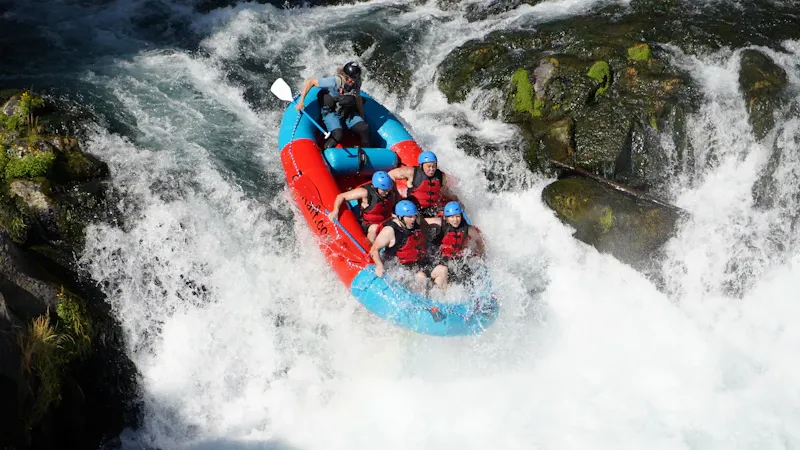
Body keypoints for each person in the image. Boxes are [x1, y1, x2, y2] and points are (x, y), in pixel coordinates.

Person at [369, 200, 447, 287]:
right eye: (409, 217)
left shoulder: (416, 222)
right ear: (400, 217)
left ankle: (439, 297)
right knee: (421, 277)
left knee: (442, 270)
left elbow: (432, 222)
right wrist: (379, 266)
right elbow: (374, 250)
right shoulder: (390, 231)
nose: (413, 219)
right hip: (401, 268)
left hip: (419, 263)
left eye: (414, 216)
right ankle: (419, 299)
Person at [296, 61, 370, 149]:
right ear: (346, 76)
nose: (354, 81)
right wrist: (301, 101)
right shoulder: (335, 81)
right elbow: (310, 82)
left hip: (347, 111)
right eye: (352, 78)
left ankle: (368, 152)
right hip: (332, 112)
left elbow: (357, 97)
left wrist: (361, 114)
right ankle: (325, 150)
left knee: (364, 128)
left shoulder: (357, 82)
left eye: (356, 78)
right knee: (338, 134)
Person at [428, 201, 486, 288]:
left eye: (458, 216)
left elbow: (479, 241)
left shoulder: (468, 229)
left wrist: (482, 256)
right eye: (452, 217)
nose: (455, 220)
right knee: (442, 274)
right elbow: (423, 221)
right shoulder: (440, 223)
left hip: (458, 260)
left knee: (469, 279)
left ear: (461, 216)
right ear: (447, 218)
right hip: (442, 259)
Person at [328, 171, 396, 243]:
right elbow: (341, 196)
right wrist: (336, 210)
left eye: (388, 189)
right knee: (374, 228)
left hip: (383, 221)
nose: (387, 192)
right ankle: (370, 249)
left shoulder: (389, 193)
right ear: (376, 187)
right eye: (384, 190)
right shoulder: (364, 192)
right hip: (367, 224)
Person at [388, 151, 449, 218]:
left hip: (432, 211)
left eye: (434, 166)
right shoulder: (411, 172)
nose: (431, 169)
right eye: (428, 166)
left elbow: (445, 193)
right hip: (414, 212)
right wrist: (395, 193)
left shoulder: (441, 175)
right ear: (421, 165)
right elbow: (391, 174)